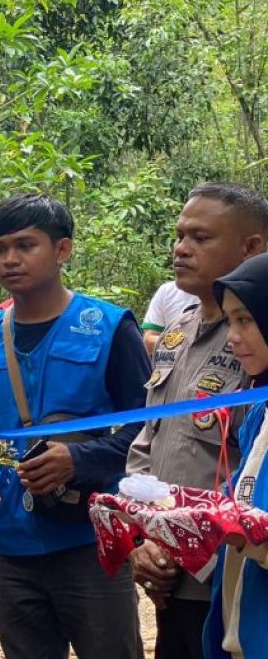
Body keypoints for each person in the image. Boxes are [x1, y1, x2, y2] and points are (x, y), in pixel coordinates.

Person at [0, 193, 146, 659]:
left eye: (26, 245)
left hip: (90, 540)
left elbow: (149, 431)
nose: (9, 260)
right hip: (10, 542)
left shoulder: (106, 326)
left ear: (62, 250)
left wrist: (78, 460)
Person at [127, 182, 268, 659]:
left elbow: (249, 469)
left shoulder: (257, 345)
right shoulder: (175, 332)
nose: (181, 248)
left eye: (201, 238)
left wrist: (188, 544)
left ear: (252, 247)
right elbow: (149, 440)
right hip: (167, 573)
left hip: (229, 573)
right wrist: (143, 537)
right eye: (179, 235)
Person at [203, 253, 268, 659]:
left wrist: (247, 533)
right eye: (230, 320)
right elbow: (244, 490)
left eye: (245, 319)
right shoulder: (261, 408)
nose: (232, 336)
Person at [141, 280, 200, 355]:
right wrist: (182, 345)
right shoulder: (167, 291)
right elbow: (149, 340)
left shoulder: (218, 295)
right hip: (170, 363)